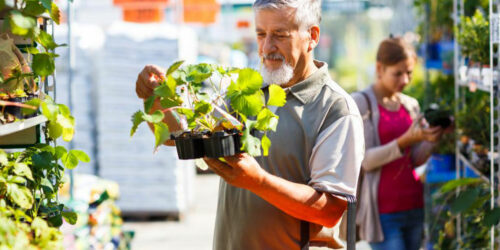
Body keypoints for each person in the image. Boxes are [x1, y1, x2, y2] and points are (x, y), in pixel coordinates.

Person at [135, 0, 364, 248]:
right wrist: (156, 99)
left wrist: (259, 181)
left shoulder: (334, 109)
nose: (267, 47)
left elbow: (329, 211)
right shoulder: (247, 91)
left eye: (280, 35)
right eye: (260, 34)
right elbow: (176, 135)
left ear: (312, 36)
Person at [352, 37, 444, 250]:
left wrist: (432, 139)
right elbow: (364, 161)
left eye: (409, 72)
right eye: (398, 73)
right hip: (383, 213)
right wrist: (405, 141)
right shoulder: (361, 103)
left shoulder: (410, 105)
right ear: (379, 68)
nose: (405, 80)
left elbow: (414, 159)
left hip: (414, 205)